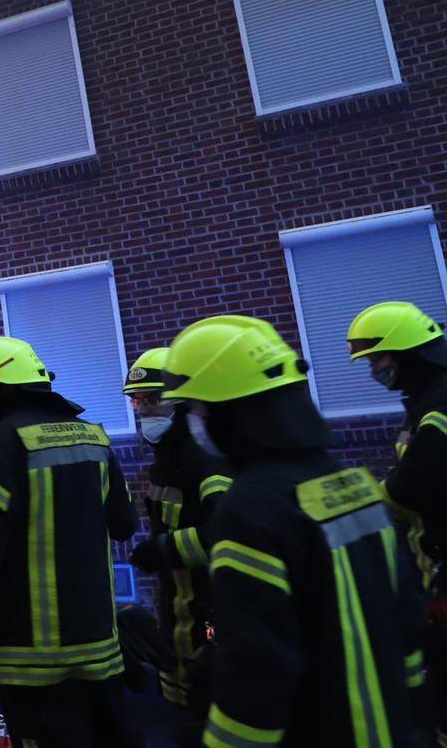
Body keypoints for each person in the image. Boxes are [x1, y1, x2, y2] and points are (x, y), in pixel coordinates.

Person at [166, 314, 426, 747]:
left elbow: (257, 673)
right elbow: (406, 619)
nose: (195, 421)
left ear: (229, 412)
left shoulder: (250, 511)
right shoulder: (354, 484)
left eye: (197, 408)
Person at [0, 336, 140, 748]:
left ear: (1, 389)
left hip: (28, 659)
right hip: (100, 647)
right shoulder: (94, 439)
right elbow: (124, 524)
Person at [349, 300, 447, 743]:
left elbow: (411, 486)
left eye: (378, 358)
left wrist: (353, 506)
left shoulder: (440, 406)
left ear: (408, 352)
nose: (374, 370)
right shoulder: (426, 400)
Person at [124, 346, 231, 743]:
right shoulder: (166, 455)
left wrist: (163, 550)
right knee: (182, 714)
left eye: (152, 399)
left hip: (212, 614)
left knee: (207, 722)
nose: (142, 410)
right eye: (138, 400)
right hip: (179, 615)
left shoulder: (205, 455)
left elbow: (227, 531)